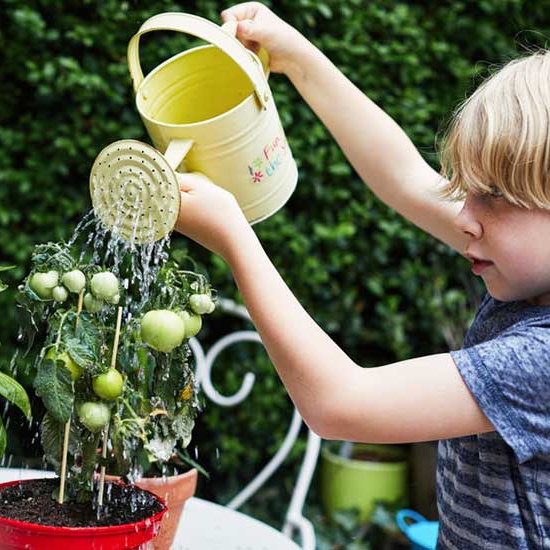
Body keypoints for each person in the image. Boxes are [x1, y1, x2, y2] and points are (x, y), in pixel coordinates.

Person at [174, 3, 550, 549]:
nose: (465, 216)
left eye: (494, 196)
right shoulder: (528, 266)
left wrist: (232, 236)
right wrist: (298, 58)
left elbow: (340, 403)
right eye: (470, 189)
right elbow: (405, 179)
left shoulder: (539, 359)